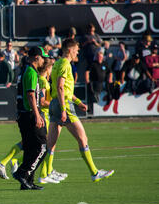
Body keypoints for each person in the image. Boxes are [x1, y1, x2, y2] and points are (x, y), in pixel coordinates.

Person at [47, 39, 114, 183]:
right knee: (83, 139)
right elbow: (60, 87)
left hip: (54, 104)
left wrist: (78, 102)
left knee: (50, 143)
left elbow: (63, 89)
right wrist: (64, 109)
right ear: (70, 50)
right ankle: (94, 172)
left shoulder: (57, 63)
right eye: (77, 49)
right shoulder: (65, 64)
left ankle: (45, 173)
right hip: (62, 105)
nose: (78, 51)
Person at [10, 46, 49, 190]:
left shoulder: (25, 70)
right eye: (43, 57)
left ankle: (28, 181)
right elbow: (31, 95)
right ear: (37, 57)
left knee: (29, 148)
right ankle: (22, 173)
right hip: (30, 114)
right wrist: (38, 115)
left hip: (23, 114)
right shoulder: (31, 72)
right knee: (42, 147)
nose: (44, 60)